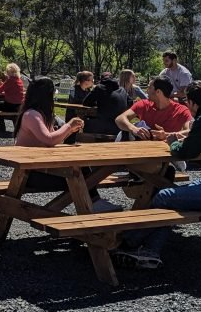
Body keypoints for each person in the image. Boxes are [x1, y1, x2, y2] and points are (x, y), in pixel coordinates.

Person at [112, 81, 201, 269]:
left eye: (187, 102)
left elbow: (185, 152)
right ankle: (144, 248)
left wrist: (172, 141)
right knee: (170, 194)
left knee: (164, 196)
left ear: (193, 102)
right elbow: (200, 141)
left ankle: (127, 242)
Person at [17, 78, 123, 212]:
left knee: (81, 169)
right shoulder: (32, 115)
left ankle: (93, 203)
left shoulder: (41, 115)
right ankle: (92, 205)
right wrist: (68, 125)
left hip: (40, 167)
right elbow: (49, 140)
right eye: (52, 94)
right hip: (29, 174)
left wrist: (70, 130)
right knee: (78, 174)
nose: (54, 98)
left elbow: (54, 140)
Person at [115, 77, 193, 140]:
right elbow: (119, 119)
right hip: (144, 153)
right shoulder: (143, 104)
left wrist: (166, 135)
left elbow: (190, 131)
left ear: (158, 92)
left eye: (149, 88)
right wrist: (134, 129)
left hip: (168, 155)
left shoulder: (181, 110)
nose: (146, 91)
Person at [83, 72, 130, 136]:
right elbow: (130, 102)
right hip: (121, 127)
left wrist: (98, 103)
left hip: (103, 127)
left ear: (101, 80)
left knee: (85, 122)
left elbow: (86, 102)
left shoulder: (99, 88)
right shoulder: (122, 90)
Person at [0, 62, 24, 131]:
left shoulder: (10, 80)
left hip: (11, 106)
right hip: (18, 106)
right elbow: (12, 90)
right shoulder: (19, 80)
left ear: (9, 72)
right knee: (0, 104)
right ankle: (1, 125)